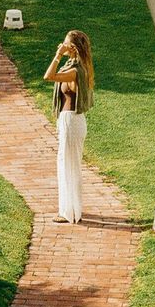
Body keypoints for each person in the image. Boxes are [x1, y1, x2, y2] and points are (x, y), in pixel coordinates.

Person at [44, 30, 94, 224]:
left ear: (72, 48)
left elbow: (49, 76)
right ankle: (73, 208)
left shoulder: (74, 71)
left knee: (68, 166)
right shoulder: (76, 66)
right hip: (73, 121)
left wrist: (57, 55)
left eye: (64, 43)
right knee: (69, 165)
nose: (60, 45)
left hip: (71, 121)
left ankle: (69, 212)